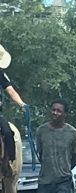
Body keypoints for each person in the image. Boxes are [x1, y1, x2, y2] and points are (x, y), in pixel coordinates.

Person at [0, 44, 26, 176]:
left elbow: (10, 90)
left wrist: (21, 104)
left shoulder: (1, 74)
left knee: (8, 133)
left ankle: (7, 162)